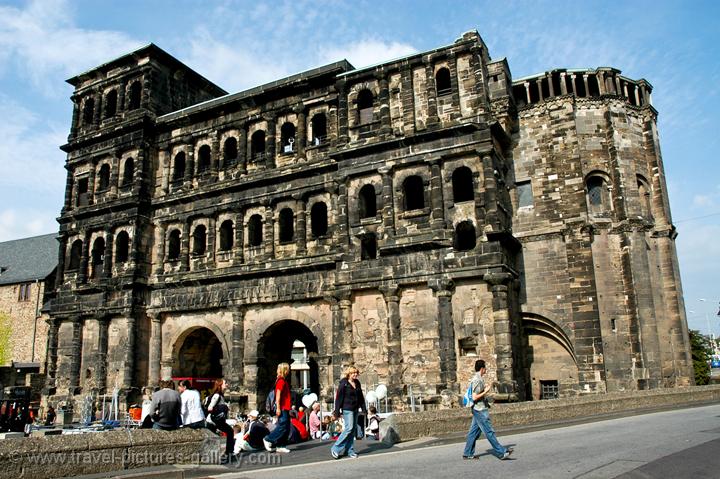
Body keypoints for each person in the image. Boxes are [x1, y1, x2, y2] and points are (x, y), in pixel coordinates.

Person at [462, 359, 513, 460]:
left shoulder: (478, 378)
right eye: (485, 368)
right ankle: (501, 452)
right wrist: (485, 391)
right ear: (482, 369)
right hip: (480, 410)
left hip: (478, 408)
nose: (486, 370)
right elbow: (475, 397)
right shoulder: (477, 379)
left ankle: (467, 453)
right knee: (489, 431)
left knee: (473, 432)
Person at [330, 365, 366, 459]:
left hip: (355, 408)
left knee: (352, 430)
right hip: (347, 408)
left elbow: (361, 397)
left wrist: (364, 409)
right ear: (349, 374)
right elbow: (339, 398)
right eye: (353, 373)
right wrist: (337, 412)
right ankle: (336, 448)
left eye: (356, 373)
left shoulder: (357, 383)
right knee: (349, 428)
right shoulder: (343, 384)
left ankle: (349, 450)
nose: (355, 374)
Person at [262, 362, 292, 454]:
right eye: (287, 369)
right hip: (282, 407)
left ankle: (281, 445)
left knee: (286, 427)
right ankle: (268, 439)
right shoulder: (281, 381)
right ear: (285, 370)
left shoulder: (282, 380)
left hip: (285, 407)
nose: (289, 371)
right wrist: (278, 408)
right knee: (282, 426)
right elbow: (278, 395)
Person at [208, 378, 234, 463]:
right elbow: (210, 408)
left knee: (229, 431)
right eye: (225, 383)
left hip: (217, 420)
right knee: (229, 431)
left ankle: (228, 453)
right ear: (220, 385)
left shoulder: (221, 395)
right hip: (213, 420)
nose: (226, 385)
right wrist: (221, 409)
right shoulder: (217, 396)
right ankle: (228, 453)